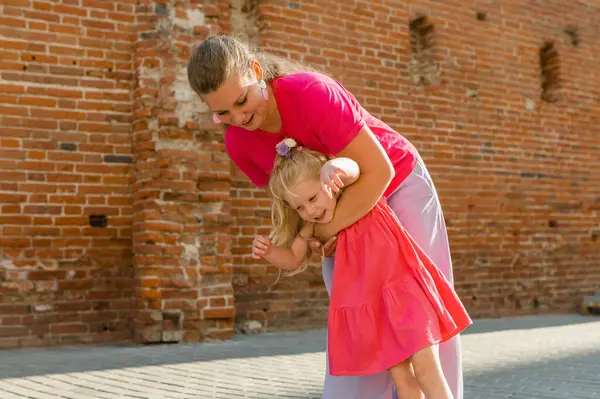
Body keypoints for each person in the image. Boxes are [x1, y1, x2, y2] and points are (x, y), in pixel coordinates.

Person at [187, 35, 466, 399]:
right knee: (360, 327)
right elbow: (293, 202)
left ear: (256, 72)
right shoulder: (238, 143)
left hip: (396, 184)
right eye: (222, 113)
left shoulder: (311, 93)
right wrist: (305, 239)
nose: (238, 118)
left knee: (422, 317)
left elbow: (377, 171)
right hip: (337, 212)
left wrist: (324, 230)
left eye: (241, 100)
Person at [251, 138, 471, 398]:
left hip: (406, 292)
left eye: (312, 198)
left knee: (427, 371)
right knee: (403, 382)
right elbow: (293, 259)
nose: (310, 210)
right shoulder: (311, 226)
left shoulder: (360, 194)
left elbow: (355, 168)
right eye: (299, 207)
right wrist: (271, 252)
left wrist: (335, 167)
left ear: (328, 183)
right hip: (376, 310)